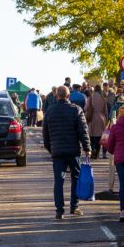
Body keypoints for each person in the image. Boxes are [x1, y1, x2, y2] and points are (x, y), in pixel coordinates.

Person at [42, 85, 91, 219]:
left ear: (56, 96)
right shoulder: (76, 110)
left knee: (59, 181)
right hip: (73, 151)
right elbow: (83, 131)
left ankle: (59, 210)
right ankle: (74, 207)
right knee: (75, 178)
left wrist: (51, 149)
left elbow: (45, 135)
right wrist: (87, 148)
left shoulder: (50, 111)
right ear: (68, 96)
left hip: (57, 152)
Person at [105, 104, 124, 222]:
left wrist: (114, 151)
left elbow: (110, 146)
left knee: (123, 184)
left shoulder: (116, 126)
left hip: (120, 159)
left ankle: (123, 211)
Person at [86, 84, 109, 159]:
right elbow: (105, 111)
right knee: (99, 137)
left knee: (91, 136)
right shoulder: (103, 98)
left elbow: (86, 108)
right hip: (101, 118)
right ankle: (97, 153)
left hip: (92, 117)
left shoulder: (91, 97)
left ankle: (93, 150)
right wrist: (107, 119)